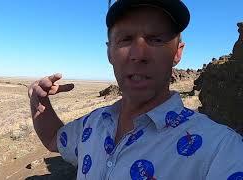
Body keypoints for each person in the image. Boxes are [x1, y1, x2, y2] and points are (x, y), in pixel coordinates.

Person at [28, 0, 243, 179]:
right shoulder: (93, 124)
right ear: (109, 52)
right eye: (125, 39)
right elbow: (53, 139)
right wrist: (39, 103)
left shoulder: (222, 149)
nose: (139, 53)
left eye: (156, 39)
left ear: (177, 52)